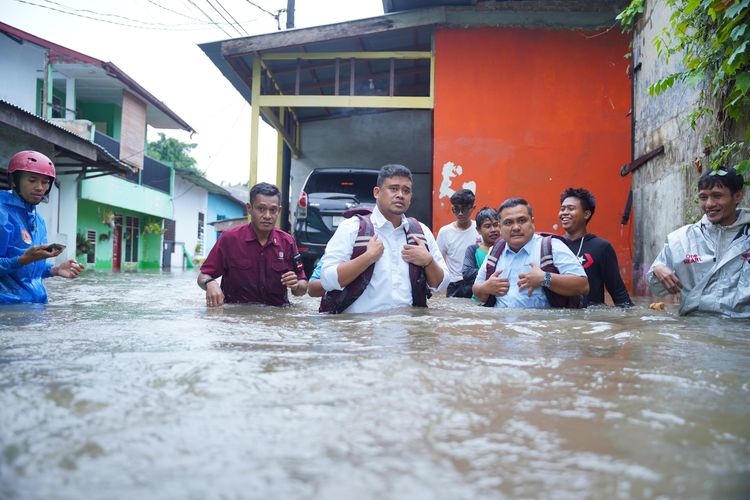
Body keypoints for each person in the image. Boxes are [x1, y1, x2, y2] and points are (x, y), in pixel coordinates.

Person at [319, 164, 450, 313]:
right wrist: (367, 257)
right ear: (377, 192)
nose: (400, 194)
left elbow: (442, 284)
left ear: (410, 197)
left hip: (408, 332)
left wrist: (428, 262)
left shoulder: (421, 232)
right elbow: (327, 280)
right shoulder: (352, 228)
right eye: (393, 188)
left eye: (406, 191)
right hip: (361, 331)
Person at [649, 167, 749, 317]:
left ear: (738, 196)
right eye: (703, 197)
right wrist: (657, 270)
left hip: (741, 330)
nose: (709, 204)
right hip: (694, 329)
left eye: (717, 196)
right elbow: (657, 289)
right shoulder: (680, 239)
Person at [198, 182, 307, 307]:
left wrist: (296, 285)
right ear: (249, 208)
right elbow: (203, 276)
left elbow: (302, 286)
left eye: (273, 210)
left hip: (276, 318)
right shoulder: (229, 239)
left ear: (279, 211)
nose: (267, 216)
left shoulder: (288, 242)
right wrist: (210, 283)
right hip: (237, 318)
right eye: (261, 209)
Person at [473, 198, 588, 308]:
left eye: (522, 220)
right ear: (500, 227)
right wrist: (486, 288)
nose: (516, 227)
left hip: (541, 326)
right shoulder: (495, 251)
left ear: (532, 222)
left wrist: (545, 278)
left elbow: (583, 286)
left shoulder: (552, 246)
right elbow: (477, 290)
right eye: (508, 222)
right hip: (500, 325)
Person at [1, 150, 83, 304]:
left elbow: (30, 270)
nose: (40, 187)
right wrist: (22, 259)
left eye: (45, 182)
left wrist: (55, 270)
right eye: (32, 180)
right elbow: (21, 261)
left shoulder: (38, 221)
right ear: (14, 181)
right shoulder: (2, 214)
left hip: (34, 308)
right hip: (7, 310)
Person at [558, 187, 633, 307]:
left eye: (571, 209)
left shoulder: (602, 247)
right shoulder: (553, 245)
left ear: (586, 214)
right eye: (562, 209)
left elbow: (620, 296)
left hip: (591, 321)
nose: (564, 213)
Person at [436, 188, 479, 298]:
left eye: (464, 209)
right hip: (454, 285)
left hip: (477, 283)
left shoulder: (480, 230)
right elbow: (438, 260)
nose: (460, 214)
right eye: (456, 209)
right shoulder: (445, 232)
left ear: (473, 208)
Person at [462, 207, 499, 290]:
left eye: (496, 225)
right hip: (479, 298)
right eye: (487, 226)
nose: (493, 230)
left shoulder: (507, 248)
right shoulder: (473, 250)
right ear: (478, 230)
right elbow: (467, 273)